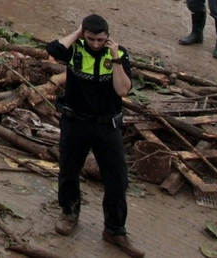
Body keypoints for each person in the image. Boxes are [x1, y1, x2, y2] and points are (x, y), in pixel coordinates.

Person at [45, 15, 141, 256]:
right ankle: (69, 213)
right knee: (68, 171)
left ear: (107, 36)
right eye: (91, 38)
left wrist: (117, 59)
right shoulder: (75, 49)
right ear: (83, 35)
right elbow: (53, 49)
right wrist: (77, 33)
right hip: (75, 122)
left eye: (100, 39)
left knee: (118, 180)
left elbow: (122, 89)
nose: (96, 44)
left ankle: (115, 229)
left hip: (106, 126)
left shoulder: (118, 54)